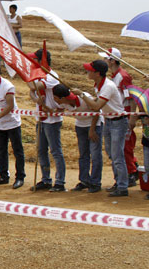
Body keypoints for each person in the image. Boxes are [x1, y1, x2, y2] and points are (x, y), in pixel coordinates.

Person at [76, 59, 128, 197]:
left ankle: (122, 186)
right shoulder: (100, 85)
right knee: (112, 154)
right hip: (110, 121)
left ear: (97, 73)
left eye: (90, 70)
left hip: (117, 122)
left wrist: (82, 94)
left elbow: (96, 106)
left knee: (117, 155)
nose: (87, 72)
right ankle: (119, 183)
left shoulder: (107, 86)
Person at [100, 47, 139, 186]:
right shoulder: (116, 76)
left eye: (105, 58)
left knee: (124, 147)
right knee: (119, 148)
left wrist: (132, 117)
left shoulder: (123, 76)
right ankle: (130, 171)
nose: (104, 61)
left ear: (112, 60)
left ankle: (130, 174)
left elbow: (132, 97)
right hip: (118, 114)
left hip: (124, 115)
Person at [27, 50, 65, 191]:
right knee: (41, 150)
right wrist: (35, 98)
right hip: (41, 117)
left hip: (52, 119)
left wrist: (26, 75)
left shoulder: (52, 76)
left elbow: (34, 86)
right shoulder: (38, 75)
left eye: (35, 60)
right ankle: (46, 179)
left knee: (55, 151)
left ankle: (60, 181)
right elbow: (32, 91)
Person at [55, 84, 103, 193]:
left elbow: (97, 112)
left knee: (95, 155)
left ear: (62, 98)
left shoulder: (83, 97)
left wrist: (92, 129)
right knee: (83, 155)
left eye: (56, 98)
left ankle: (95, 182)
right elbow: (57, 111)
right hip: (80, 126)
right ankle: (84, 180)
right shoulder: (63, 103)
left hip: (94, 125)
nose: (55, 100)